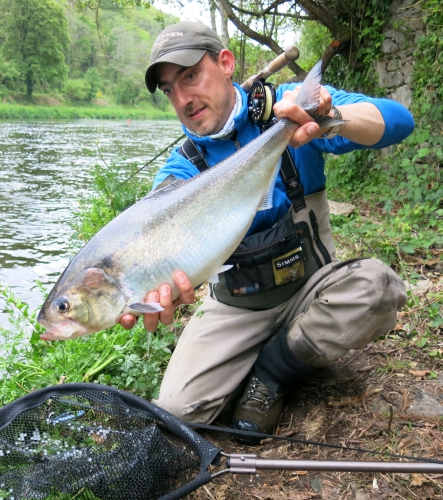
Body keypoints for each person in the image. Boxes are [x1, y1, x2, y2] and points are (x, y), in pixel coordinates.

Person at [120, 21, 414, 444]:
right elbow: (151, 236)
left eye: (190, 76)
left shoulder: (289, 110)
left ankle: (272, 371)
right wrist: (155, 282)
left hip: (314, 286)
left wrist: (330, 117)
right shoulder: (180, 172)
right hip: (237, 309)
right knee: (178, 413)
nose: (183, 99)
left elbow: (399, 121)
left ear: (225, 63)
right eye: (169, 89)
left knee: (378, 286)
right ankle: (279, 346)